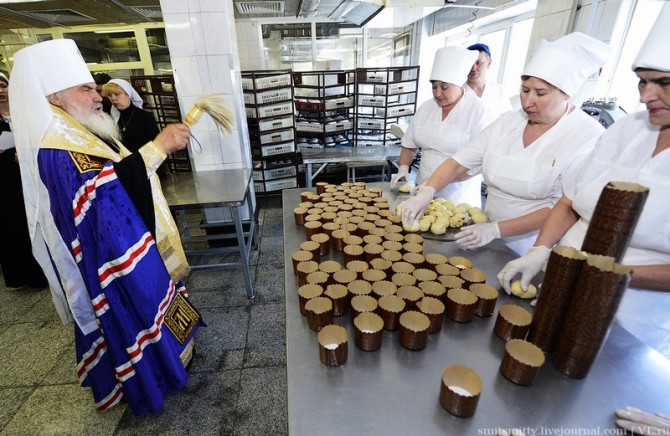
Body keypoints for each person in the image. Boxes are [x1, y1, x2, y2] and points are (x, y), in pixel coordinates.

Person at [9, 39, 203, 415]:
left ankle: (171, 358)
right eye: (86, 89)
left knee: (153, 301)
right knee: (135, 309)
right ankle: (156, 377)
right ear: (55, 97)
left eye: (95, 88)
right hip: (108, 255)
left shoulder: (79, 130)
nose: (98, 96)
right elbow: (100, 194)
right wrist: (157, 148)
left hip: (126, 239)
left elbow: (112, 175)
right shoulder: (57, 146)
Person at [498, 6, 670, 357]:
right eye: (642, 81)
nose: (644, 96)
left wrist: (610, 273)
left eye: (663, 83)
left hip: (632, 318)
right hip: (560, 286)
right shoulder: (627, 130)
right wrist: (540, 250)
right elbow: (569, 200)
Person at [401, 32, 609, 255]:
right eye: (524, 89)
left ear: (567, 94)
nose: (527, 101)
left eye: (540, 93)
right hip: (483, 234)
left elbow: (564, 207)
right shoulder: (508, 122)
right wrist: (428, 191)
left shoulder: (588, 136)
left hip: (535, 245)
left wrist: (497, 230)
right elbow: (459, 161)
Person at [391, 45, 492, 206]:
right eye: (434, 86)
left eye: (444, 87)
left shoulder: (478, 110)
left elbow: (481, 162)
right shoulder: (426, 108)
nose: (437, 93)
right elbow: (410, 144)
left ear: (459, 83)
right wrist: (403, 167)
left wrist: (434, 184)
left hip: (458, 198)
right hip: (420, 191)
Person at [0, 72, 48, 289]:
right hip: (6, 181)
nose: (0, 91)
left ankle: (44, 274)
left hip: (31, 174)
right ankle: (24, 276)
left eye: (3, 85)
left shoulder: (25, 112)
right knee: (14, 226)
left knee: (38, 222)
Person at [466, 43, 513, 121]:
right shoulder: (456, 91)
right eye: (470, 63)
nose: (473, 68)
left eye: (479, 63)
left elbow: (509, 121)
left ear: (489, 63)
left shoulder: (499, 91)